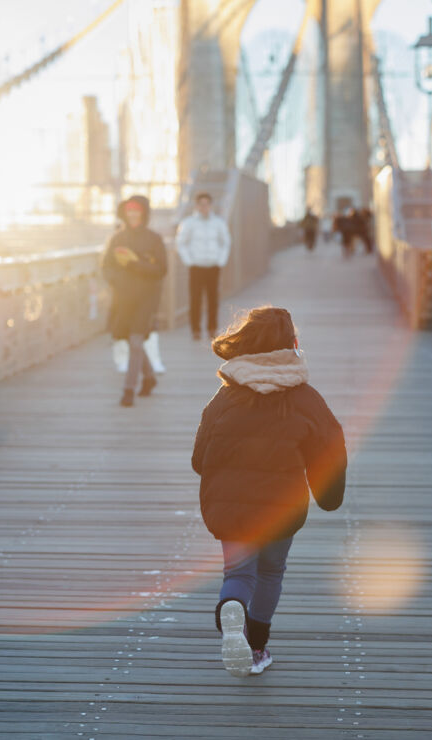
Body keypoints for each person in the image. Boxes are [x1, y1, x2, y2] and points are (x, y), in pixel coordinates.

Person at [191, 306, 347, 677]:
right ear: (292, 345)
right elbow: (330, 449)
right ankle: (257, 646)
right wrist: (329, 496)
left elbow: (200, 458)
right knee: (271, 571)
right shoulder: (305, 398)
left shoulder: (225, 397)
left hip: (231, 509)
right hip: (282, 508)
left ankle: (232, 605)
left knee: (239, 572)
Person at [101, 195, 167, 407]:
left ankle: (128, 390)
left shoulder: (154, 239)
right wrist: (116, 280)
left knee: (136, 340)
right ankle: (149, 377)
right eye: (128, 211)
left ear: (144, 213)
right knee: (130, 341)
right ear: (124, 213)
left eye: (136, 210)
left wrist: (134, 264)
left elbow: (161, 269)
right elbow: (106, 267)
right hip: (124, 298)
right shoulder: (117, 238)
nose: (132, 214)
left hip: (147, 298)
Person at [177, 192, 231, 341]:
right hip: (196, 267)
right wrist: (189, 262)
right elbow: (181, 243)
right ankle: (195, 329)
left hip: (213, 266)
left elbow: (225, 242)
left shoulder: (219, 223)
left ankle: (212, 328)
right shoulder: (188, 223)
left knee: (213, 299)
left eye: (207, 204)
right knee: (195, 299)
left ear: (210, 205)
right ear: (197, 206)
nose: (204, 207)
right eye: (201, 204)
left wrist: (220, 261)